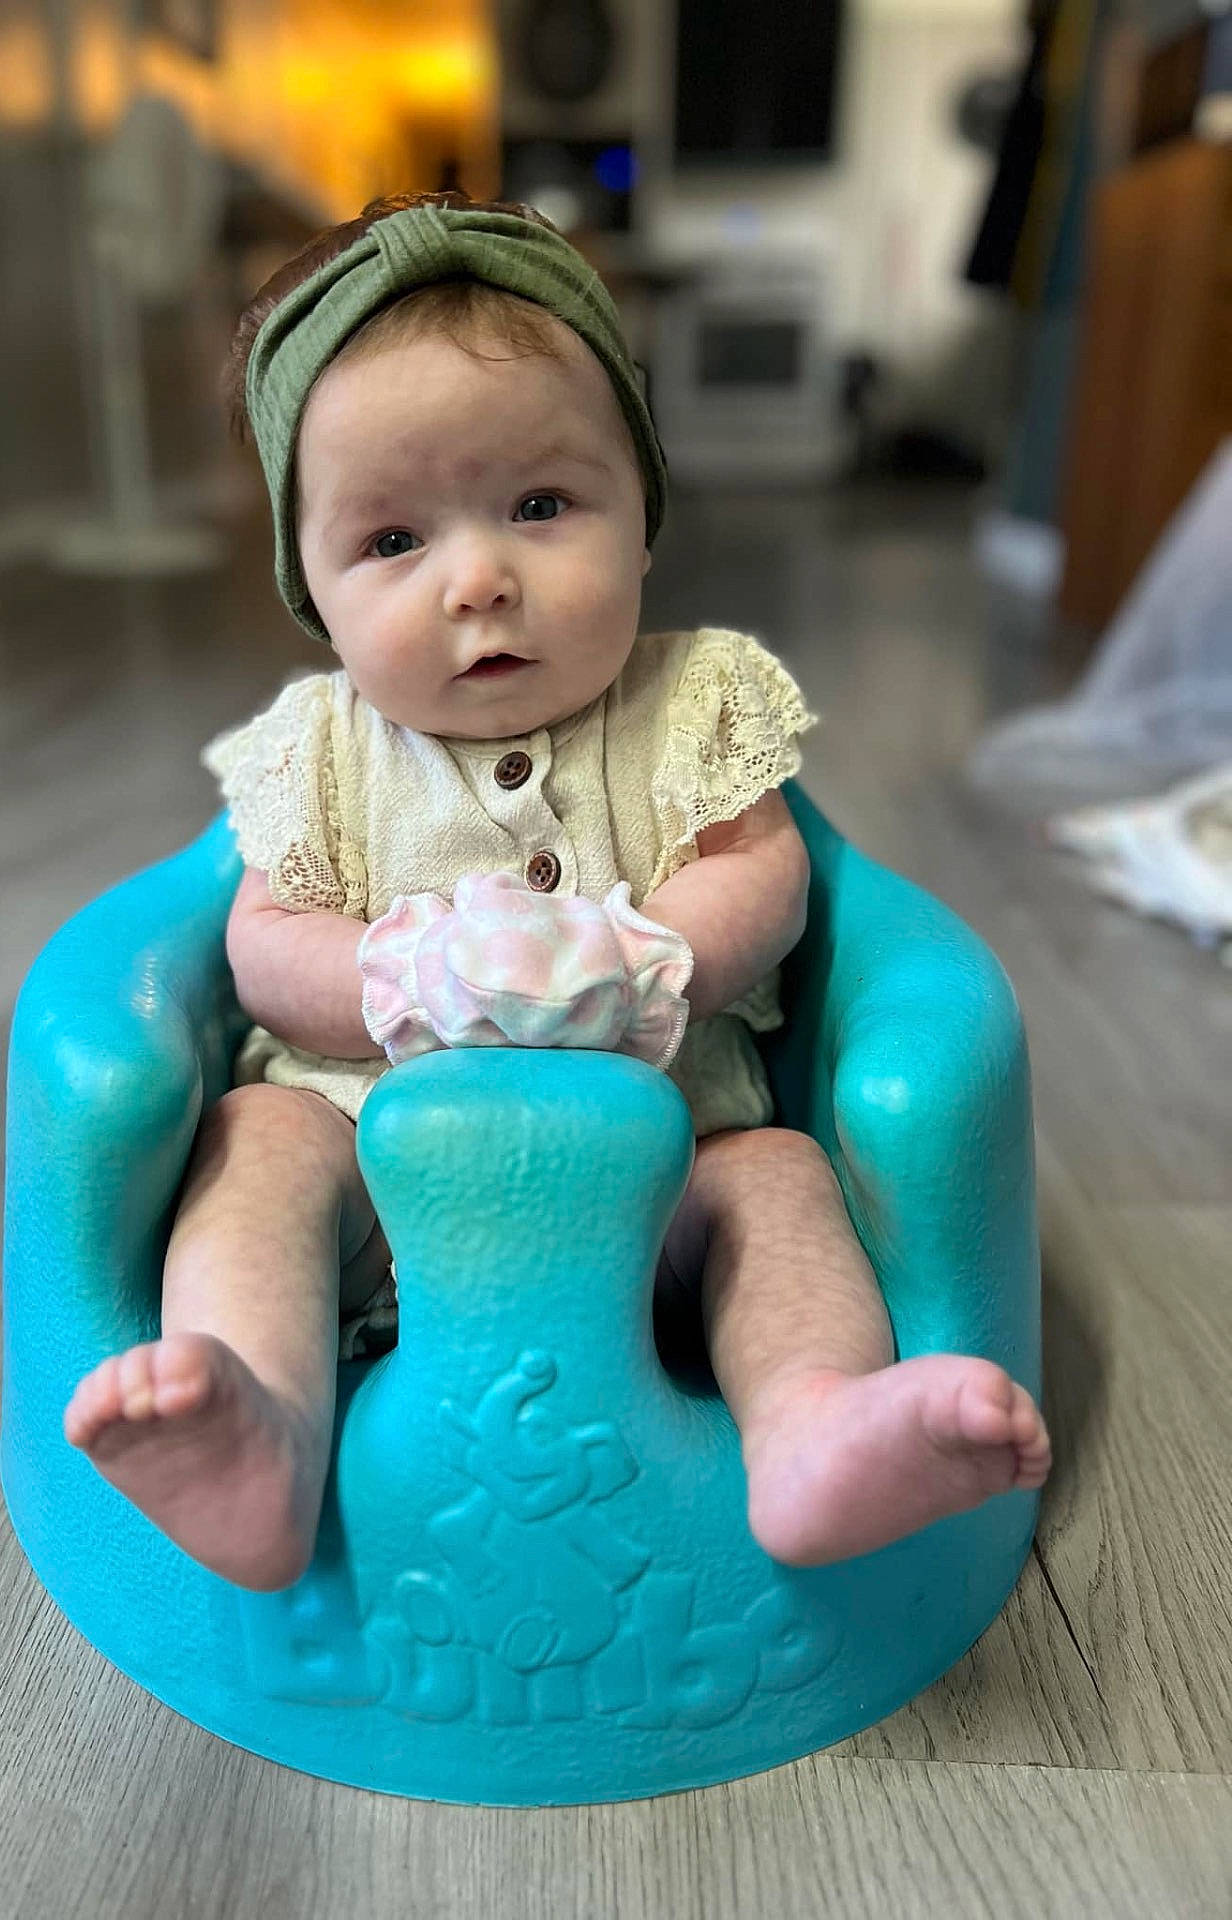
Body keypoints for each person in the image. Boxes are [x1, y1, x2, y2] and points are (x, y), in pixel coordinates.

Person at [63, 192, 1051, 1590]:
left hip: (665, 1187)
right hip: (373, 1195)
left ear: (643, 514)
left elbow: (762, 875)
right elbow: (262, 942)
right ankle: (258, 1429)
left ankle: (815, 1430)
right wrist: (399, 982)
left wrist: (647, 962)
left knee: (777, 1185)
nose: (479, 579)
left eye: (540, 506)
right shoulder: (321, 749)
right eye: (394, 542)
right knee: (253, 1150)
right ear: (315, 593)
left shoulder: (692, 700)